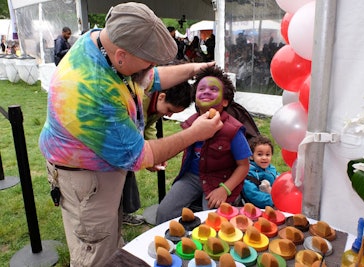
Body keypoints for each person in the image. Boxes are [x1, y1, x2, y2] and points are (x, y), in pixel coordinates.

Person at [38, 2, 221, 266]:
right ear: (122, 55)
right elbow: (138, 156)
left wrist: (195, 69)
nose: (152, 66)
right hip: (87, 181)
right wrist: (195, 133)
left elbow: (150, 77)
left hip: (100, 173)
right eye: (149, 60)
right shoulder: (91, 90)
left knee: (108, 237)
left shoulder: (105, 42)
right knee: (95, 251)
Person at [156, 66, 252, 225]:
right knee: (164, 212)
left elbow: (243, 166)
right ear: (195, 97)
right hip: (192, 177)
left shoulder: (232, 130)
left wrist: (224, 189)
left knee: (213, 221)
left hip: (221, 180)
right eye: (201, 88)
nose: (206, 91)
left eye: (214, 89)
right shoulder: (191, 124)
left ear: (225, 101)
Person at [122, 81, 194, 225]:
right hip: (118, 146)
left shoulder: (156, 104)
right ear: (161, 97)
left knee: (126, 181)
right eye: (169, 110)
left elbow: (149, 127)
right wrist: (148, 157)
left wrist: (155, 155)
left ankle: (123, 213)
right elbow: (132, 135)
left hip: (130, 147)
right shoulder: (138, 100)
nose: (169, 114)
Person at [241, 135, 280, 208]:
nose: (264, 158)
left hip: (276, 200)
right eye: (260, 154)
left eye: (267, 154)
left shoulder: (271, 168)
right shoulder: (248, 174)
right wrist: (274, 201)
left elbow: (279, 178)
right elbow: (253, 194)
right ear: (251, 156)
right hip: (262, 207)